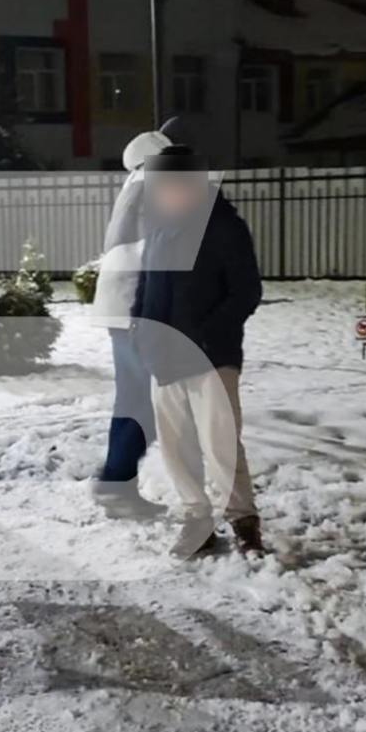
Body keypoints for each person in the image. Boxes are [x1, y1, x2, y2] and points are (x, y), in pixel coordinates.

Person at [132, 144, 264, 557]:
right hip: (165, 358)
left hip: (211, 357)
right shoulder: (157, 228)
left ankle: (243, 521)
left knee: (221, 443)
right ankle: (197, 521)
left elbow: (246, 291)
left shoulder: (224, 227)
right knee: (177, 446)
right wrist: (141, 330)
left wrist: (206, 336)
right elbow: (144, 287)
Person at [90, 120, 187, 518]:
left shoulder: (133, 185)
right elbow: (162, 248)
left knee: (133, 397)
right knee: (144, 403)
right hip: (135, 304)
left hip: (119, 305)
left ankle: (115, 480)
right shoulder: (153, 184)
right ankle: (116, 483)